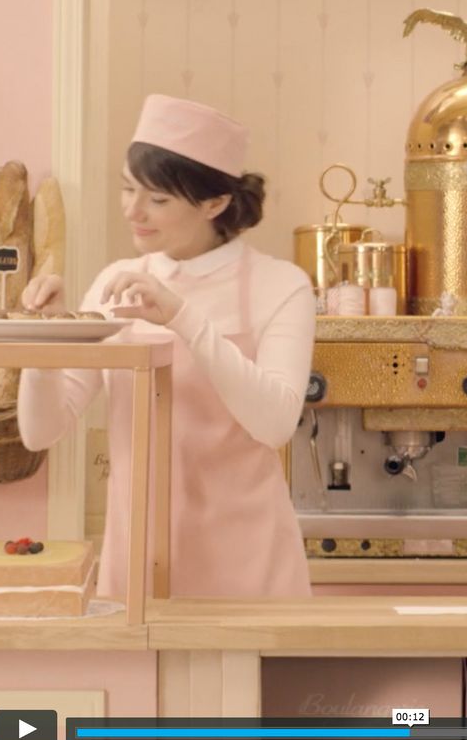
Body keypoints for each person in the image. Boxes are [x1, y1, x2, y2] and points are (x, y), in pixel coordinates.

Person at [18, 94, 316, 598]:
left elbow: (275, 424)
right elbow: (40, 432)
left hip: (249, 565)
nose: (134, 211)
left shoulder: (280, 285)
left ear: (214, 203)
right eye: (128, 190)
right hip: (138, 565)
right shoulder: (115, 283)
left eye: (157, 199)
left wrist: (183, 317)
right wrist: (45, 339)